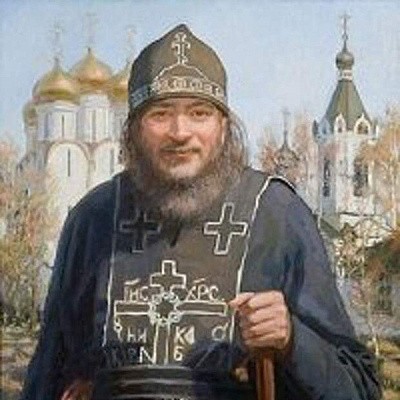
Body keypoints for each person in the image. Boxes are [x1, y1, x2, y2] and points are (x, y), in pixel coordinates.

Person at [21, 24, 381, 400]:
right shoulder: (93, 218)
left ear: (223, 127)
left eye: (199, 113)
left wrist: (292, 339)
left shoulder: (275, 213)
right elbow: (48, 376)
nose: (180, 132)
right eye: (160, 114)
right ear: (133, 130)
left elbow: (359, 389)